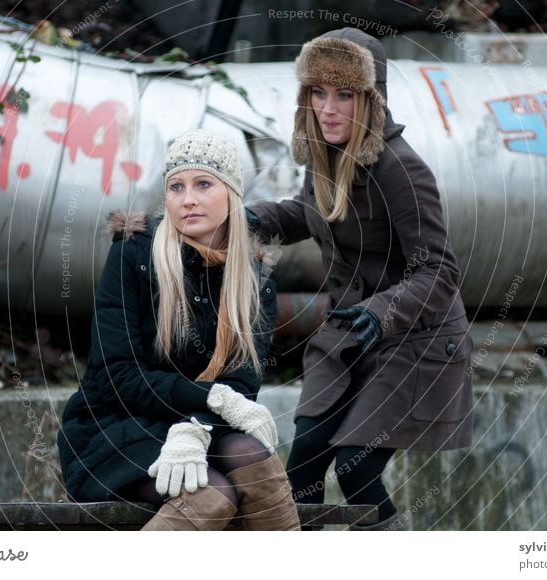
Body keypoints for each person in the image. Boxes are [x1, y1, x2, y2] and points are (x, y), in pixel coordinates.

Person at [247, 28, 474, 530]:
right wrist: (237, 221)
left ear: (371, 100)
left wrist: (380, 313)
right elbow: (307, 215)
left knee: (356, 467)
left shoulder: (402, 169)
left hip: (415, 333)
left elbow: (440, 269)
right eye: (318, 93)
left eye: (344, 95)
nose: (328, 109)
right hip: (349, 330)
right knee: (304, 455)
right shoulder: (324, 155)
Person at [58, 129, 301, 531]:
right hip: (116, 428)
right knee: (213, 494)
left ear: (232, 193)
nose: (188, 199)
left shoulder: (254, 282)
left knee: (253, 459)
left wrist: (195, 428)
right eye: (176, 187)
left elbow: (239, 386)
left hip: (198, 430)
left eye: (204, 184)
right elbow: (115, 376)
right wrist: (213, 401)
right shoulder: (132, 256)